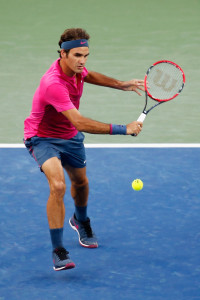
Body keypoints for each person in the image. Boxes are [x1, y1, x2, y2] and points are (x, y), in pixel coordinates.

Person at [24, 28, 144, 271]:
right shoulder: (53, 83)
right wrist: (124, 129)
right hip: (42, 138)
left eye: (86, 55)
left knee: (81, 183)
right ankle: (58, 251)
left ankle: (80, 220)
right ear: (63, 54)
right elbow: (79, 122)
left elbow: (89, 75)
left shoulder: (76, 69)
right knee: (58, 185)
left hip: (69, 136)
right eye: (77, 55)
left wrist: (121, 84)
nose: (83, 61)